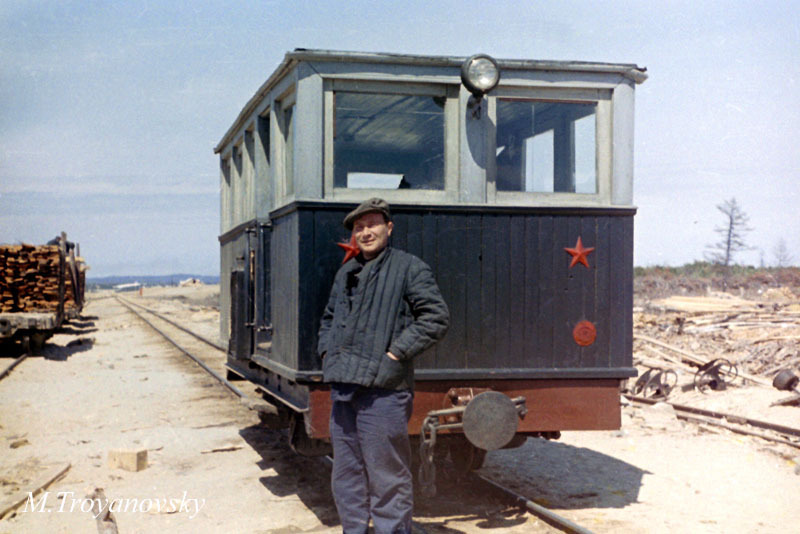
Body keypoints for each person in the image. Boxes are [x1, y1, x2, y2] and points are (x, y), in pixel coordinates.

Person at [317, 198, 449, 534]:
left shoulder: (409, 267)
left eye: (372, 224)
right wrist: (327, 354)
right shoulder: (346, 271)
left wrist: (395, 354)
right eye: (359, 228)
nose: (365, 232)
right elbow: (330, 318)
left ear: (388, 228)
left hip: (385, 393)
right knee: (346, 475)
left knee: (387, 477)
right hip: (344, 388)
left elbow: (435, 318)